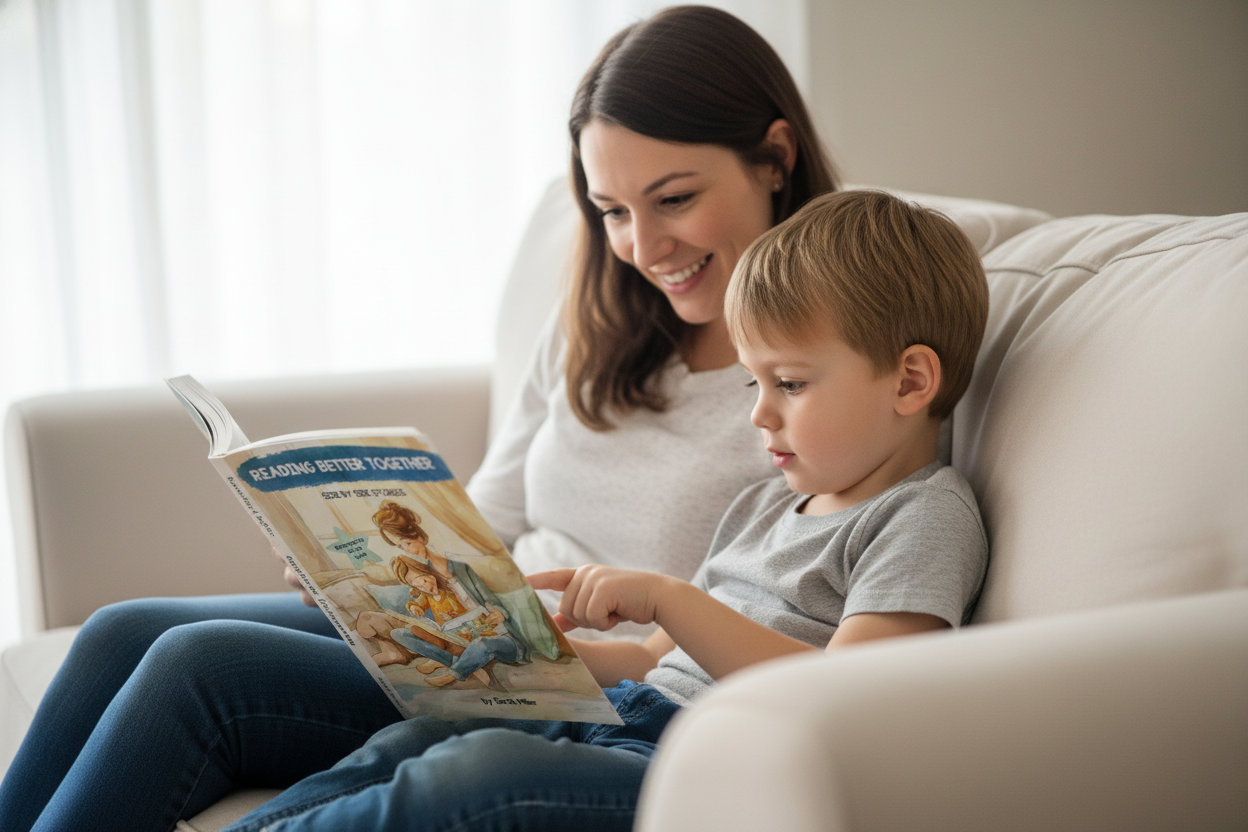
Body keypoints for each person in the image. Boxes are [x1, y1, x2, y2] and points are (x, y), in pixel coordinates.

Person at [0, 7, 841, 832]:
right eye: (613, 211)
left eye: (675, 198)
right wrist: (359, 564)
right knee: (123, 631)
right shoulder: (605, 319)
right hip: (477, 622)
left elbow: (784, 601)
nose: (644, 247)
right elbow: (494, 520)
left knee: (198, 667)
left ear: (774, 158)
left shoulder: (823, 388)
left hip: (584, 682)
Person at [211, 187, 991, 832]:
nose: (759, 414)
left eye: (788, 384)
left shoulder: (923, 516)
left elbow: (854, 701)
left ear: (911, 382)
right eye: (754, 384)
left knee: (484, 775)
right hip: (628, 713)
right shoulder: (766, 505)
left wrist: (673, 599)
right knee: (422, 735)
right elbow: (655, 661)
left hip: (694, 763)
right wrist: (538, 656)